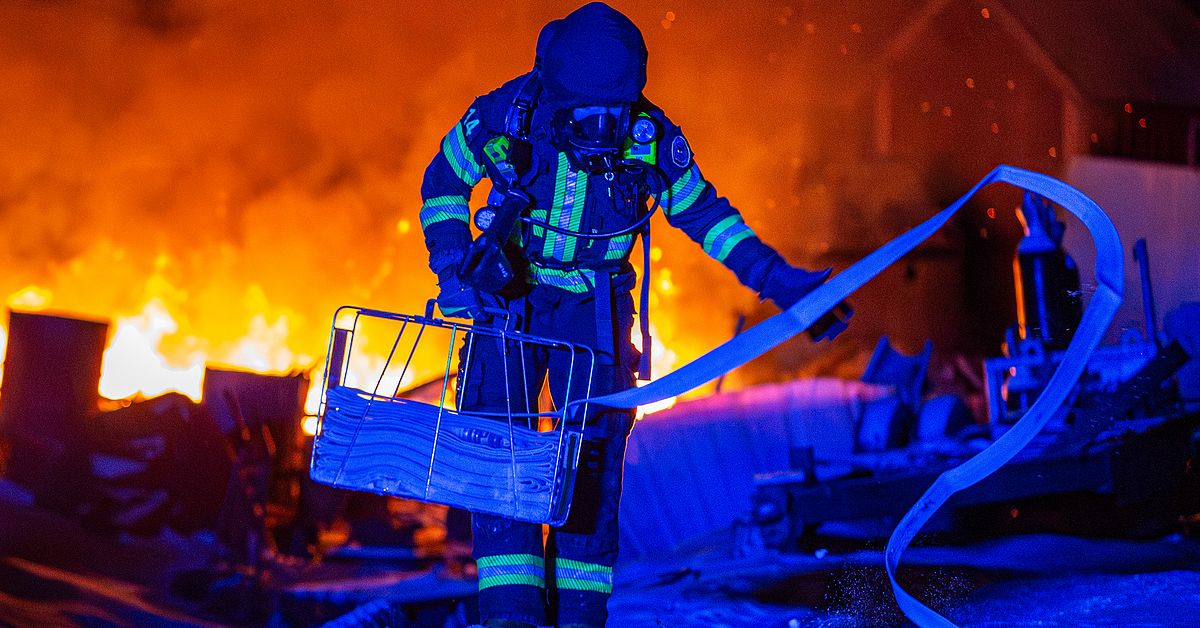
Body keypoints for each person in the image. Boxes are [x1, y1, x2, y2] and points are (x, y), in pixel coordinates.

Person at [418, 4, 848, 626]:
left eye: (614, 116)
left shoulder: (649, 136)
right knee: (499, 454)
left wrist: (778, 280)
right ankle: (511, 612)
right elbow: (443, 182)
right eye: (586, 118)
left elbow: (705, 214)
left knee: (591, 465)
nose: (602, 131)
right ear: (554, 94)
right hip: (508, 300)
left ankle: (582, 616)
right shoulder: (505, 116)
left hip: (596, 313)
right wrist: (455, 268)